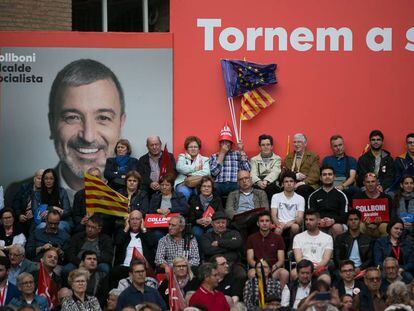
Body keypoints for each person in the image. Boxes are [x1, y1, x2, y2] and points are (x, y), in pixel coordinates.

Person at [112, 210, 157, 288]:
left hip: (142, 268)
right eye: (132, 219)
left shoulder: (147, 233)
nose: (135, 222)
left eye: (137, 219)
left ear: (142, 221)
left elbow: (152, 243)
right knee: (114, 272)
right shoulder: (123, 233)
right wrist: (126, 228)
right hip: (125, 267)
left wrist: (144, 229)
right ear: (128, 221)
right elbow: (118, 243)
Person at [246, 211, 289, 289]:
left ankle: (280, 298)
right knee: (251, 273)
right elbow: (250, 260)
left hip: (273, 269)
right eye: (262, 221)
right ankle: (257, 299)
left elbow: (281, 260)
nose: (264, 223)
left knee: (284, 273)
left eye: (267, 221)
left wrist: (271, 268)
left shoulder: (278, 238)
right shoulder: (251, 238)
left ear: (271, 223)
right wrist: (260, 268)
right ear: (258, 224)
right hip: (258, 268)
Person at [209, 125, 250, 198]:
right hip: (219, 183)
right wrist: (222, 153)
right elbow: (214, 173)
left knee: (239, 190)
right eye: (223, 142)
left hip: (234, 183)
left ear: (231, 144)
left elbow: (247, 169)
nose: (225, 144)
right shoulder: (214, 156)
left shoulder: (237, 154)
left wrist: (242, 151)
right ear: (220, 144)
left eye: (227, 142)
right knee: (214, 189)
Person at [225, 170, 268, 239]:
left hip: (254, 219)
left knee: (253, 220)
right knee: (239, 223)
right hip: (239, 219)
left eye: (246, 178)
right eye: (241, 179)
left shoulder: (261, 193)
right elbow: (229, 210)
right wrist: (237, 216)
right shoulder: (232, 194)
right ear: (238, 182)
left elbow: (265, 209)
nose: (244, 181)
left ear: (251, 179)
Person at [72, 167, 115, 235]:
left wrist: (96, 222)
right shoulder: (79, 195)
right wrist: (82, 221)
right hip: (83, 227)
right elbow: (75, 215)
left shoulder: (107, 196)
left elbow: (110, 217)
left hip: (101, 228)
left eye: (97, 177)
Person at [292, 209, 333, 281]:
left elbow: (326, 259)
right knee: (294, 273)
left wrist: (315, 268)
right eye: (306, 219)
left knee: (325, 279)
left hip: (320, 268)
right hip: (303, 267)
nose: (308, 222)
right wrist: (308, 269)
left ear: (318, 221)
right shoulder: (298, 237)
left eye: (311, 219)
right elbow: (298, 259)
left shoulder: (328, 238)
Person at [308, 165, 348, 238]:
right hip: (319, 224)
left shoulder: (341, 195)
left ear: (334, 177)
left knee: (337, 227)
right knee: (314, 226)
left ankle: (337, 249)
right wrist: (319, 221)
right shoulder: (313, 195)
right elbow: (310, 215)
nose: (327, 177)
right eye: (324, 175)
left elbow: (345, 216)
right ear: (320, 178)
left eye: (330, 174)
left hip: (336, 223)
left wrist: (333, 221)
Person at [353, 172, 394, 237]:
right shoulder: (357, 197)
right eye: (368, 182)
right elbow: (354, 218)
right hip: (364, 226)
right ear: (364, 183)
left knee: (385, 226)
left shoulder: (386, 198)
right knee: (359, 225)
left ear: (377, 182)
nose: (370, 184)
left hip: (381, 226)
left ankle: (385, 246)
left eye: (373, 181)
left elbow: (391, 217)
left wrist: (382, 222)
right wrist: (363, 221)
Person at [32, 168, 72, 232]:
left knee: (60, 227)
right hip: (43, 222)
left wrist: (49, 213)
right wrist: (53, 208)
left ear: (55, 180)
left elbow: (67, 211)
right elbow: (36, 213)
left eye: (51, 178)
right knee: (41, 227)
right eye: (46, 178)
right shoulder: (37, 194)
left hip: (61, 221)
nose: (48, 181)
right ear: (43, 180)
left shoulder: (62, 192)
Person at [284, 133, 320, 203]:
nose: (296, 144)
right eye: (295, 142)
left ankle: (302, 212)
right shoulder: (289, 157)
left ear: (305, 143)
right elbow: (284, 173)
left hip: (308, 184)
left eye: (299, 142)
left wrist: (303, 182)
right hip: (291, 183)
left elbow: (315, 175)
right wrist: (294, 176)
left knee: (302, 189)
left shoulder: (313, 156)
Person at [188, 176, 224, 243]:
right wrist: (197, 221)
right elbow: (190, 218)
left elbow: (221, 215)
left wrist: (211, 220)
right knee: (196, 232)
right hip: (198, 226)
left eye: (209, 186)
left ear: (212, 188)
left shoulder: (217, 200)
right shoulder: (194, 200)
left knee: (210, 232)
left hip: (212, 225)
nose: (206, 188)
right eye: (204, 186)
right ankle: (198, 253)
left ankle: (209, 252)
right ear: (200, 188)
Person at [271, 170, 305, 239]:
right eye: (286, 181)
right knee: (277, 230)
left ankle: (291, 248)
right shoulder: (276, 196)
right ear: (282, 184)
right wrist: (279, 225)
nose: (289, 184)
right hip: (279, 224)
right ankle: (278, 249)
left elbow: (300, 218)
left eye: (291, 181)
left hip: (293, 224)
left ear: (295, 183)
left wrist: (289, 223)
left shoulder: (300, 198)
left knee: (295, 227)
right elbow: (273, 215)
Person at [175, 136, 210, 201]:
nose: (193, 149)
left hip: (199, 184)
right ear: (187, 149)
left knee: (204, 192)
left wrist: (190, 175)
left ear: (199, 149)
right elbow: (180, 167)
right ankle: (183, 210)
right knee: (184, 192)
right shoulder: (182, 157)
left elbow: (206, 172)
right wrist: (196, 168)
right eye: (190, 147)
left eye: (195, 147)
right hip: (183, 183)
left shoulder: (205, 159)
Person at [250, 134, 282, 202]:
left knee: (271, 188)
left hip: (272, 183)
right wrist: (258, 182)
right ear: (260, 147)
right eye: (263, 145)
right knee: (255, 189)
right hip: (258, 183)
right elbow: (252, 173)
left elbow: (276, 172)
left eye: (268, 144)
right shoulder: (254, 159)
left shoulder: (277, 158)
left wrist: (266, 181)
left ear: (272, 146)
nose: (266, 147)